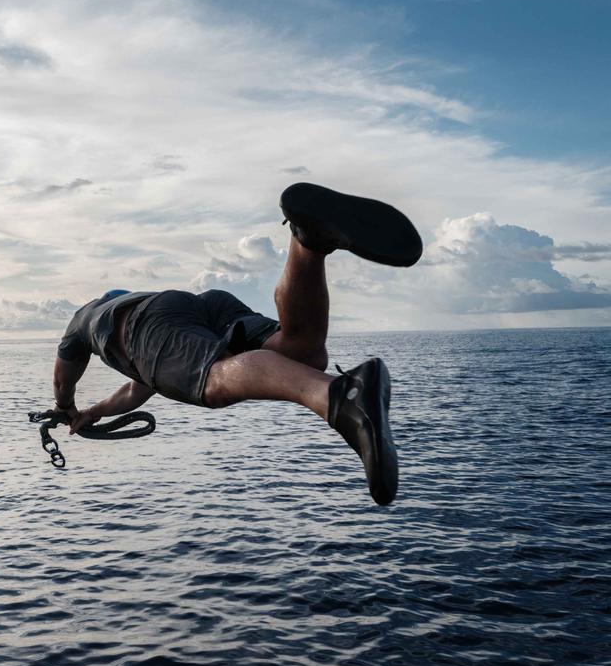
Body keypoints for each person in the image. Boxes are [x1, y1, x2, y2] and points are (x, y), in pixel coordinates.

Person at [52, 183, 422, 505]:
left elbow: (62, 377)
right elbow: (134, 392)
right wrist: (94, 412)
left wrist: (66, 405)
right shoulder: (149, 352)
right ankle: (307, 241)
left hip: (150, 319)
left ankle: (342, 397)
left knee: (212, 383)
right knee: (300, 353)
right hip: (200, 304)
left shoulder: (89, 317)